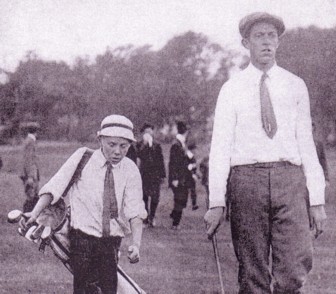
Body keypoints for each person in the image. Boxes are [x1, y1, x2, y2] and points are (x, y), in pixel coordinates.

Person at [204, 12, 327, 294]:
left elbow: (306, 145)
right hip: (247, 181)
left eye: (272, 36)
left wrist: (317, 199)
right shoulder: (231, 89)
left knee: (294, 271)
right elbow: (220, 148)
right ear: (245, 42)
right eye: (259, 36)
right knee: (252, 272)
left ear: (279, 42)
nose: (267, 43)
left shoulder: (295, 85)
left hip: (290, 180)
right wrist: (216, 202)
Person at [24, 114, 147, 294]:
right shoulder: (83, 158)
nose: (117, 152)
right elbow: (55, 187)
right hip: (81, 239)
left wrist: (136, 244)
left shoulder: (130, 169)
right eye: (111, 144)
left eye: (124, 146)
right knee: (84, 289)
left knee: (109, 289)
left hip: (111, 242)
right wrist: (34, 214)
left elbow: (135, 211)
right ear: (100, 139)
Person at [136, 123, 166, 227]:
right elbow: (138, 155)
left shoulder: (156, 145)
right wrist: (144, 145)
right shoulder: (139, 145)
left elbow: (160, 160)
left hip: (155, 175)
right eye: (146, 132)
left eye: (150, 131)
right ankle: (145, 218)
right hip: (143, 175)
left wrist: (162, 175)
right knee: (143, 197)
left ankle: (152, 217)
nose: (149, 133)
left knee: (155, 197)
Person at [168, 121, 190, 229]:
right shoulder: (177, 145)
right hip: (179, 178)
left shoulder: (181, 144)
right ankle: (175, 223)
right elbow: (174, 163)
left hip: (183, 177)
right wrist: (175, 178)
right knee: (180, 200)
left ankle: (174, 216)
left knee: (181, 200)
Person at [20, 122, 40, 213]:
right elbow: (28, 160)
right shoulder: (30, 142)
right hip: (30, 175)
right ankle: (26, 218)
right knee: (31, 197)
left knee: (34, 196)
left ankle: (32, 217)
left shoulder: (29, 141)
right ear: (36, 131)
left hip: (31, 174)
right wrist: (30, 176)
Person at [185, 142, 199, 211]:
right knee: (188, 190)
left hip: (191, 174)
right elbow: (187, 166)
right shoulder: (188, 155)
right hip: (188, 175)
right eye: (195, 149)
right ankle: (191, 204)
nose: (196, 150)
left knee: (192, 190)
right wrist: (192, 167)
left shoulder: (191, 155)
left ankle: (194, 204)